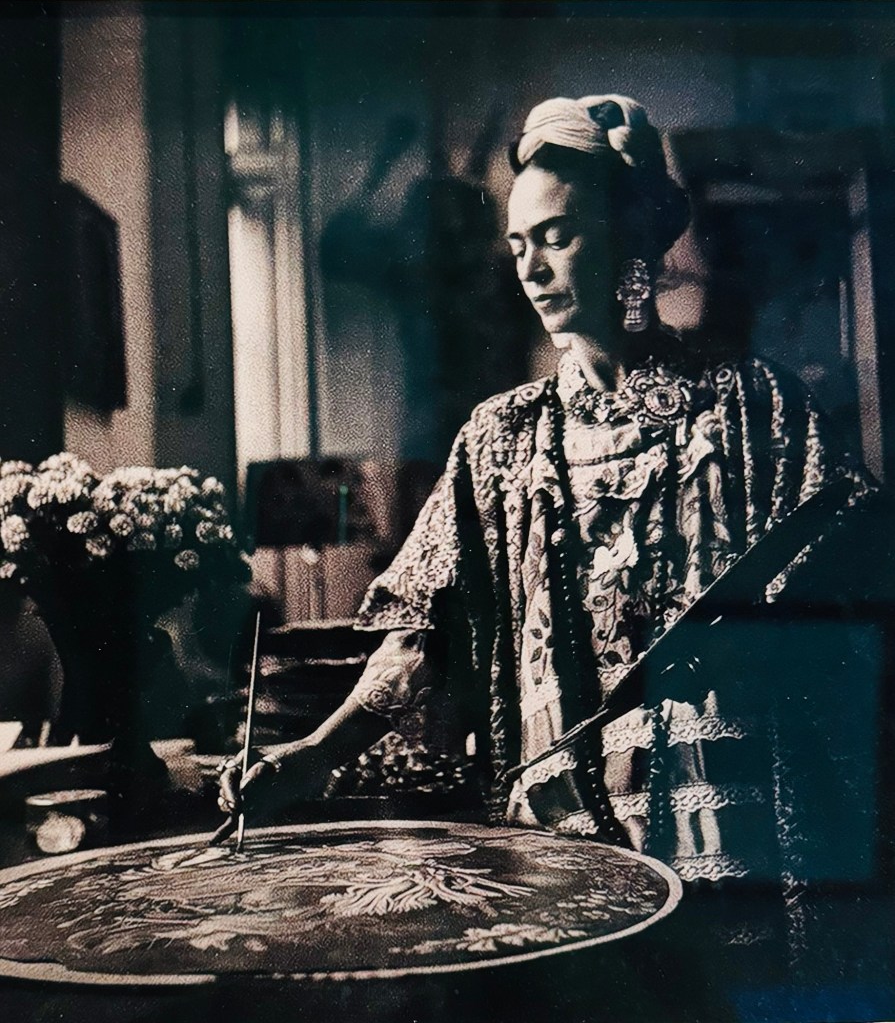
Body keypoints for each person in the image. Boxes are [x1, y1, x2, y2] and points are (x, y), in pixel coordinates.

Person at [219, 95, 879, 941]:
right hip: (562, 826)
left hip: (727, 817)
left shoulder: (753, 406)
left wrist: (754, 633)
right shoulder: (499, 437)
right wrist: (315, 754)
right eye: (519, 243)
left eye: (557, 237)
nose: (530, 269)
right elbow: (423, 639)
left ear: (631, 238)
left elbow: (851, 585)